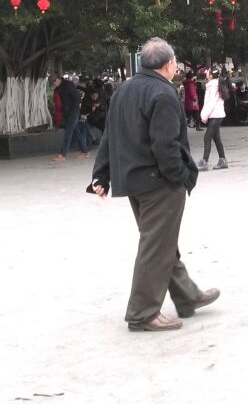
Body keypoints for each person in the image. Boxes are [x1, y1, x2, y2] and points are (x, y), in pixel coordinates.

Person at [89, 38, 218, 332]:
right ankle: (142, 312)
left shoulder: (123, 90)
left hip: (134, 180)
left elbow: (110, 135)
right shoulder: (163, 92)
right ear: (169, 64)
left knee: (160, 241)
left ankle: (187, 295)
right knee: (155, 247)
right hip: (159, 182)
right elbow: (165, 145)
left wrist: (101, 175)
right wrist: (179, 176)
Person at [197, 67, 229, 170]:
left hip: (215, 115)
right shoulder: (215, 84)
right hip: (217, 114)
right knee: (216, 138)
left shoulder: (212, 86)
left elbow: (211, 103)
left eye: (208, 72)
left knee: (207, 137)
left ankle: (205, 161)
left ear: (211, 75)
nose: (206, 73)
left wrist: (204, 116)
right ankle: (222, 160)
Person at [53, 74, 88, 161]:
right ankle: (85, 152)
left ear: (59, 79)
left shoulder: (68, 85)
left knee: (68, 133)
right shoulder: (59, 88)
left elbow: (77, 98)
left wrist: (74, 110)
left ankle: (62, 154)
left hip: (73, 112)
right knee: (76, 132)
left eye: (55, 81)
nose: (54, 83)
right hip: (67, 113)